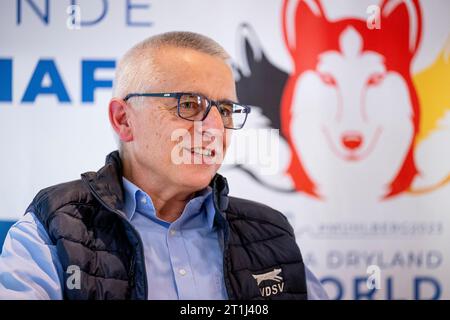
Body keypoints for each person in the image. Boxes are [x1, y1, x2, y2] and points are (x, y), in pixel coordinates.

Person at [0, 31, 328, 300]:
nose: (214, 129)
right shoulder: (54, 227)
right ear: (123, 119)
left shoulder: (271, 234)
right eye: (188, 104)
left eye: (225, 110)